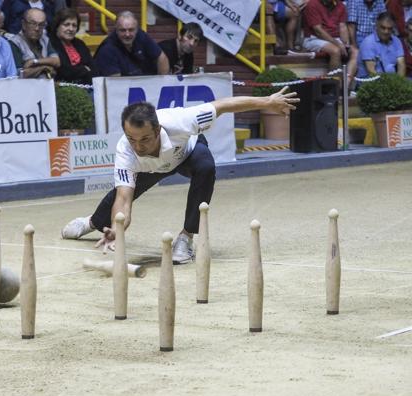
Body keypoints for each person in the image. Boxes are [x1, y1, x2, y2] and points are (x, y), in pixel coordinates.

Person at [61, 88, 300, 264]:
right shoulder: (127, 150)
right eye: (132, 138)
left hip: (187, 154)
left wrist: (267, 101)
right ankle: (91, 222)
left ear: (157, 130)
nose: (138, 146)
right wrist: (117, 229)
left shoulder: (182, 122)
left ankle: (186, 238)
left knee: (206, 166)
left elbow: (224, 105)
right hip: (151, 168)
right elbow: (123, 198)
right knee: (115, 202)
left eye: (144, 139)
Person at [94, 11, 169, 77]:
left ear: (137, 29)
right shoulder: (107, 49)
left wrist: (161, 85)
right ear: (116, 30)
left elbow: (162, 58)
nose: (127, 34)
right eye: (122, 30)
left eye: (131, 30)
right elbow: (115, 84)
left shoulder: (141, 35)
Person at [302, 0, 358, 85]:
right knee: (335, 51)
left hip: (335, 38)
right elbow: (318, 31)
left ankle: (346, 84)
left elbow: (342, 27)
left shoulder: (340, 5)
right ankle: (336, 86)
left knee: (355, 52)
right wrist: (338, 44)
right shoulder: (312, 4)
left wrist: (345, 44)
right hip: (314, 38)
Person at [9, 7, 59, 78]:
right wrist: (44, 68)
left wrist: (35, 62)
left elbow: (56, 61)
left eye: (41, 24)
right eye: (32, 23)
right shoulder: (14, 43)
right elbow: (19, 74)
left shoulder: (45, 39)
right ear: (24, 24)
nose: (37, 28)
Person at [49, 7, 95, 84]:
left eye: (74, 25)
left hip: (86, 86)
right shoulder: (50, 43)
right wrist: (84, 69)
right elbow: (63, 71)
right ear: (57, 26)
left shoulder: (79, 43)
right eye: (66, 25)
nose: (71, 29)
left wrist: (77, 70)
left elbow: (93, 68)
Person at [357, 12, 406, 78]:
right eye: (383, 28)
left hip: (392, 80)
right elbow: (371, 72)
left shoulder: (397, 41)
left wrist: (399, 82)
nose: (386, 32)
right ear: (377, 24)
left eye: (390, 29)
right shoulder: (368, 43)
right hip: (370, 83)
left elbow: (401, 65)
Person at [1, 0, 66, 35]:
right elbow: (2, 25)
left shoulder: (48, 4)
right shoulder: (13, 2)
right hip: (17, 43)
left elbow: (51, 29)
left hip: (43, 44)